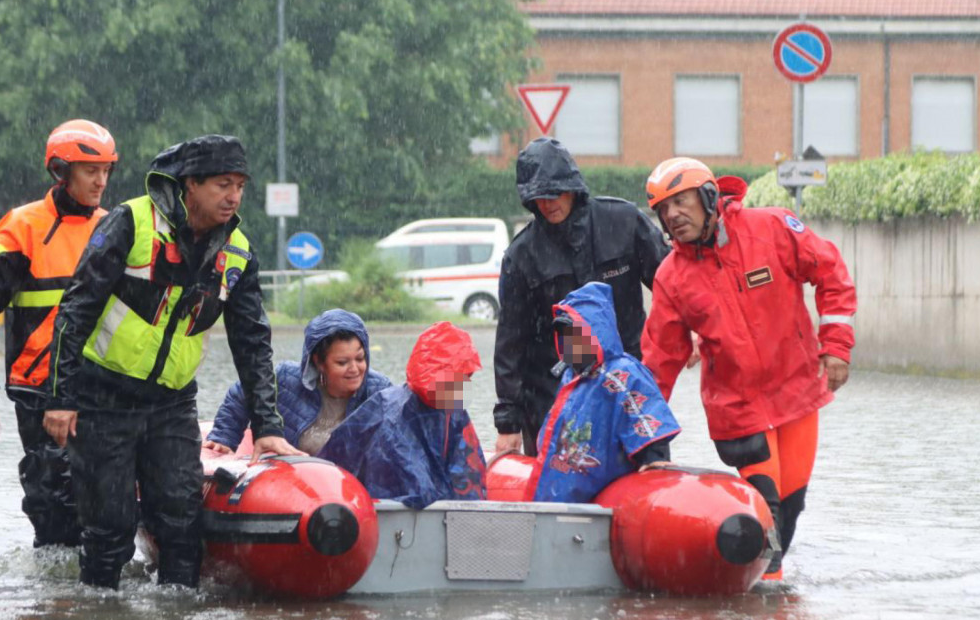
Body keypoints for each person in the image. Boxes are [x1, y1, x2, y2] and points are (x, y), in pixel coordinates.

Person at [43, 134, 301, 590]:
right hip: (103, 397)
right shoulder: (131, 222)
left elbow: (252, 343)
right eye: (223, 184)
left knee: (182, 524)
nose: (234, 196)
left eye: (240, 185)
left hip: (172, 404)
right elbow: (75, 310)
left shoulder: (237, 250)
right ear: (190, 185)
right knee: (110, 530)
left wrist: (268, 428)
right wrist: (60, 398)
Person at [641, 157, 856, 580]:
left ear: (707, 196)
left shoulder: (772, 228)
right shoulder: (671, 277)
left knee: (791, 507)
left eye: (680, 202)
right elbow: (659, 361)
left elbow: (831, 273)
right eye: (663, 210)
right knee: (764, 507)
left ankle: (766, 605)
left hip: (797, 392)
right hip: (735, 407)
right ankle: (765, 602)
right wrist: (645, 441)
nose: (672, 216)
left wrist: (837, 348)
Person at [0, 119, 117, 548]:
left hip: (99, 385)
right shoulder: (22, 226)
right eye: (91, 171)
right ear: (60, 172)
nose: (101, 181)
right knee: (52, 497)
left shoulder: (113, 228)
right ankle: (54, 597)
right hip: (37, 389)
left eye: (107, 170)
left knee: (104, 498)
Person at [494, 137, 669, 457]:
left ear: (573, 186)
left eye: (554, 192)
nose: (548, 204)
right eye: (538, 198)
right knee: (561, 488)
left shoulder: (623, 221)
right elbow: (510, 343)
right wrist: (508, 424)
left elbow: (673, 284)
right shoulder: (521, 256)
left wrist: (693, 331)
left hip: (628, 382)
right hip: (552, 394)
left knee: (646, 464)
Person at [531, 282, 681, 504]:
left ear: (595, 332)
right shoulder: (572, 377)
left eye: (575, 335)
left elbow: (646, 416)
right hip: (564, 486)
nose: (569, 343)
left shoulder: (622, 373)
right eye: (565, 337)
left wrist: (654, 459)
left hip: (604, 490)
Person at [320, 321, 487, 509]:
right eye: (460, 378)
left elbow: (468, 471)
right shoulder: (394, 412)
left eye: (465, 378)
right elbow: (415, 486)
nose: (463, 384)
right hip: (376, 508)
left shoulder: (453, 408)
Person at [203, 308, 391, 454]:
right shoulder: (285, 378)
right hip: (291, 486)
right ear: (318, 362)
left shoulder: (380, 391)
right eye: (342, 362)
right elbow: (242, 393)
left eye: (360, 358)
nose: (354, 369)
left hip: (352, 490)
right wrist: (224, 437)